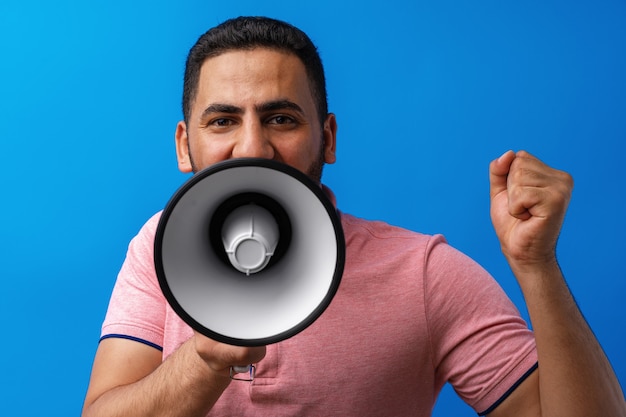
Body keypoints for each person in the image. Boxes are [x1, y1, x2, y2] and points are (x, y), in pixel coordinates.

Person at [82, 16, 625, 417]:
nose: (252, 147)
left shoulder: (423, 273)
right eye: (223, 120)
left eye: (280, 118)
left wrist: (537, 265)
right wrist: (205, 359)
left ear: (329, 137)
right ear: (185, 146)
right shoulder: (156, 249)